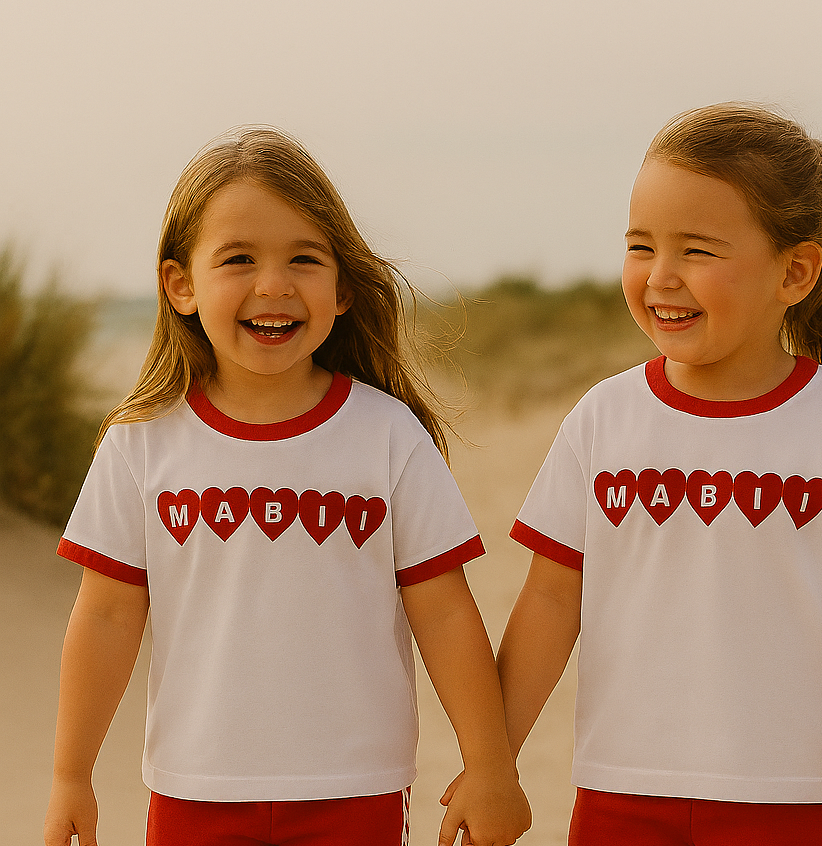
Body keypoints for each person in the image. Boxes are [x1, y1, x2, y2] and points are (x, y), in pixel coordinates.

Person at [43, 126, 530, 846]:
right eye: (238, 259)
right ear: (180, 284)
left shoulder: (387, 435)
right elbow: (107, 618)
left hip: (354, 787)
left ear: (340, 290)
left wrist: (490, 763)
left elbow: (446, 612)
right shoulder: (141, 442)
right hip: (194, 788)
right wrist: (69, 774)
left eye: (305, 259)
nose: (274, 285)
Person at [496, 104, 822, 846]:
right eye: (641, 246)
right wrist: (495, 758)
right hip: (620, 787)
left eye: (698, 251)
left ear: (794, 271)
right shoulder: (603, 420)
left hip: (787, 795)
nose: (660, 276)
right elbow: (549, 599)